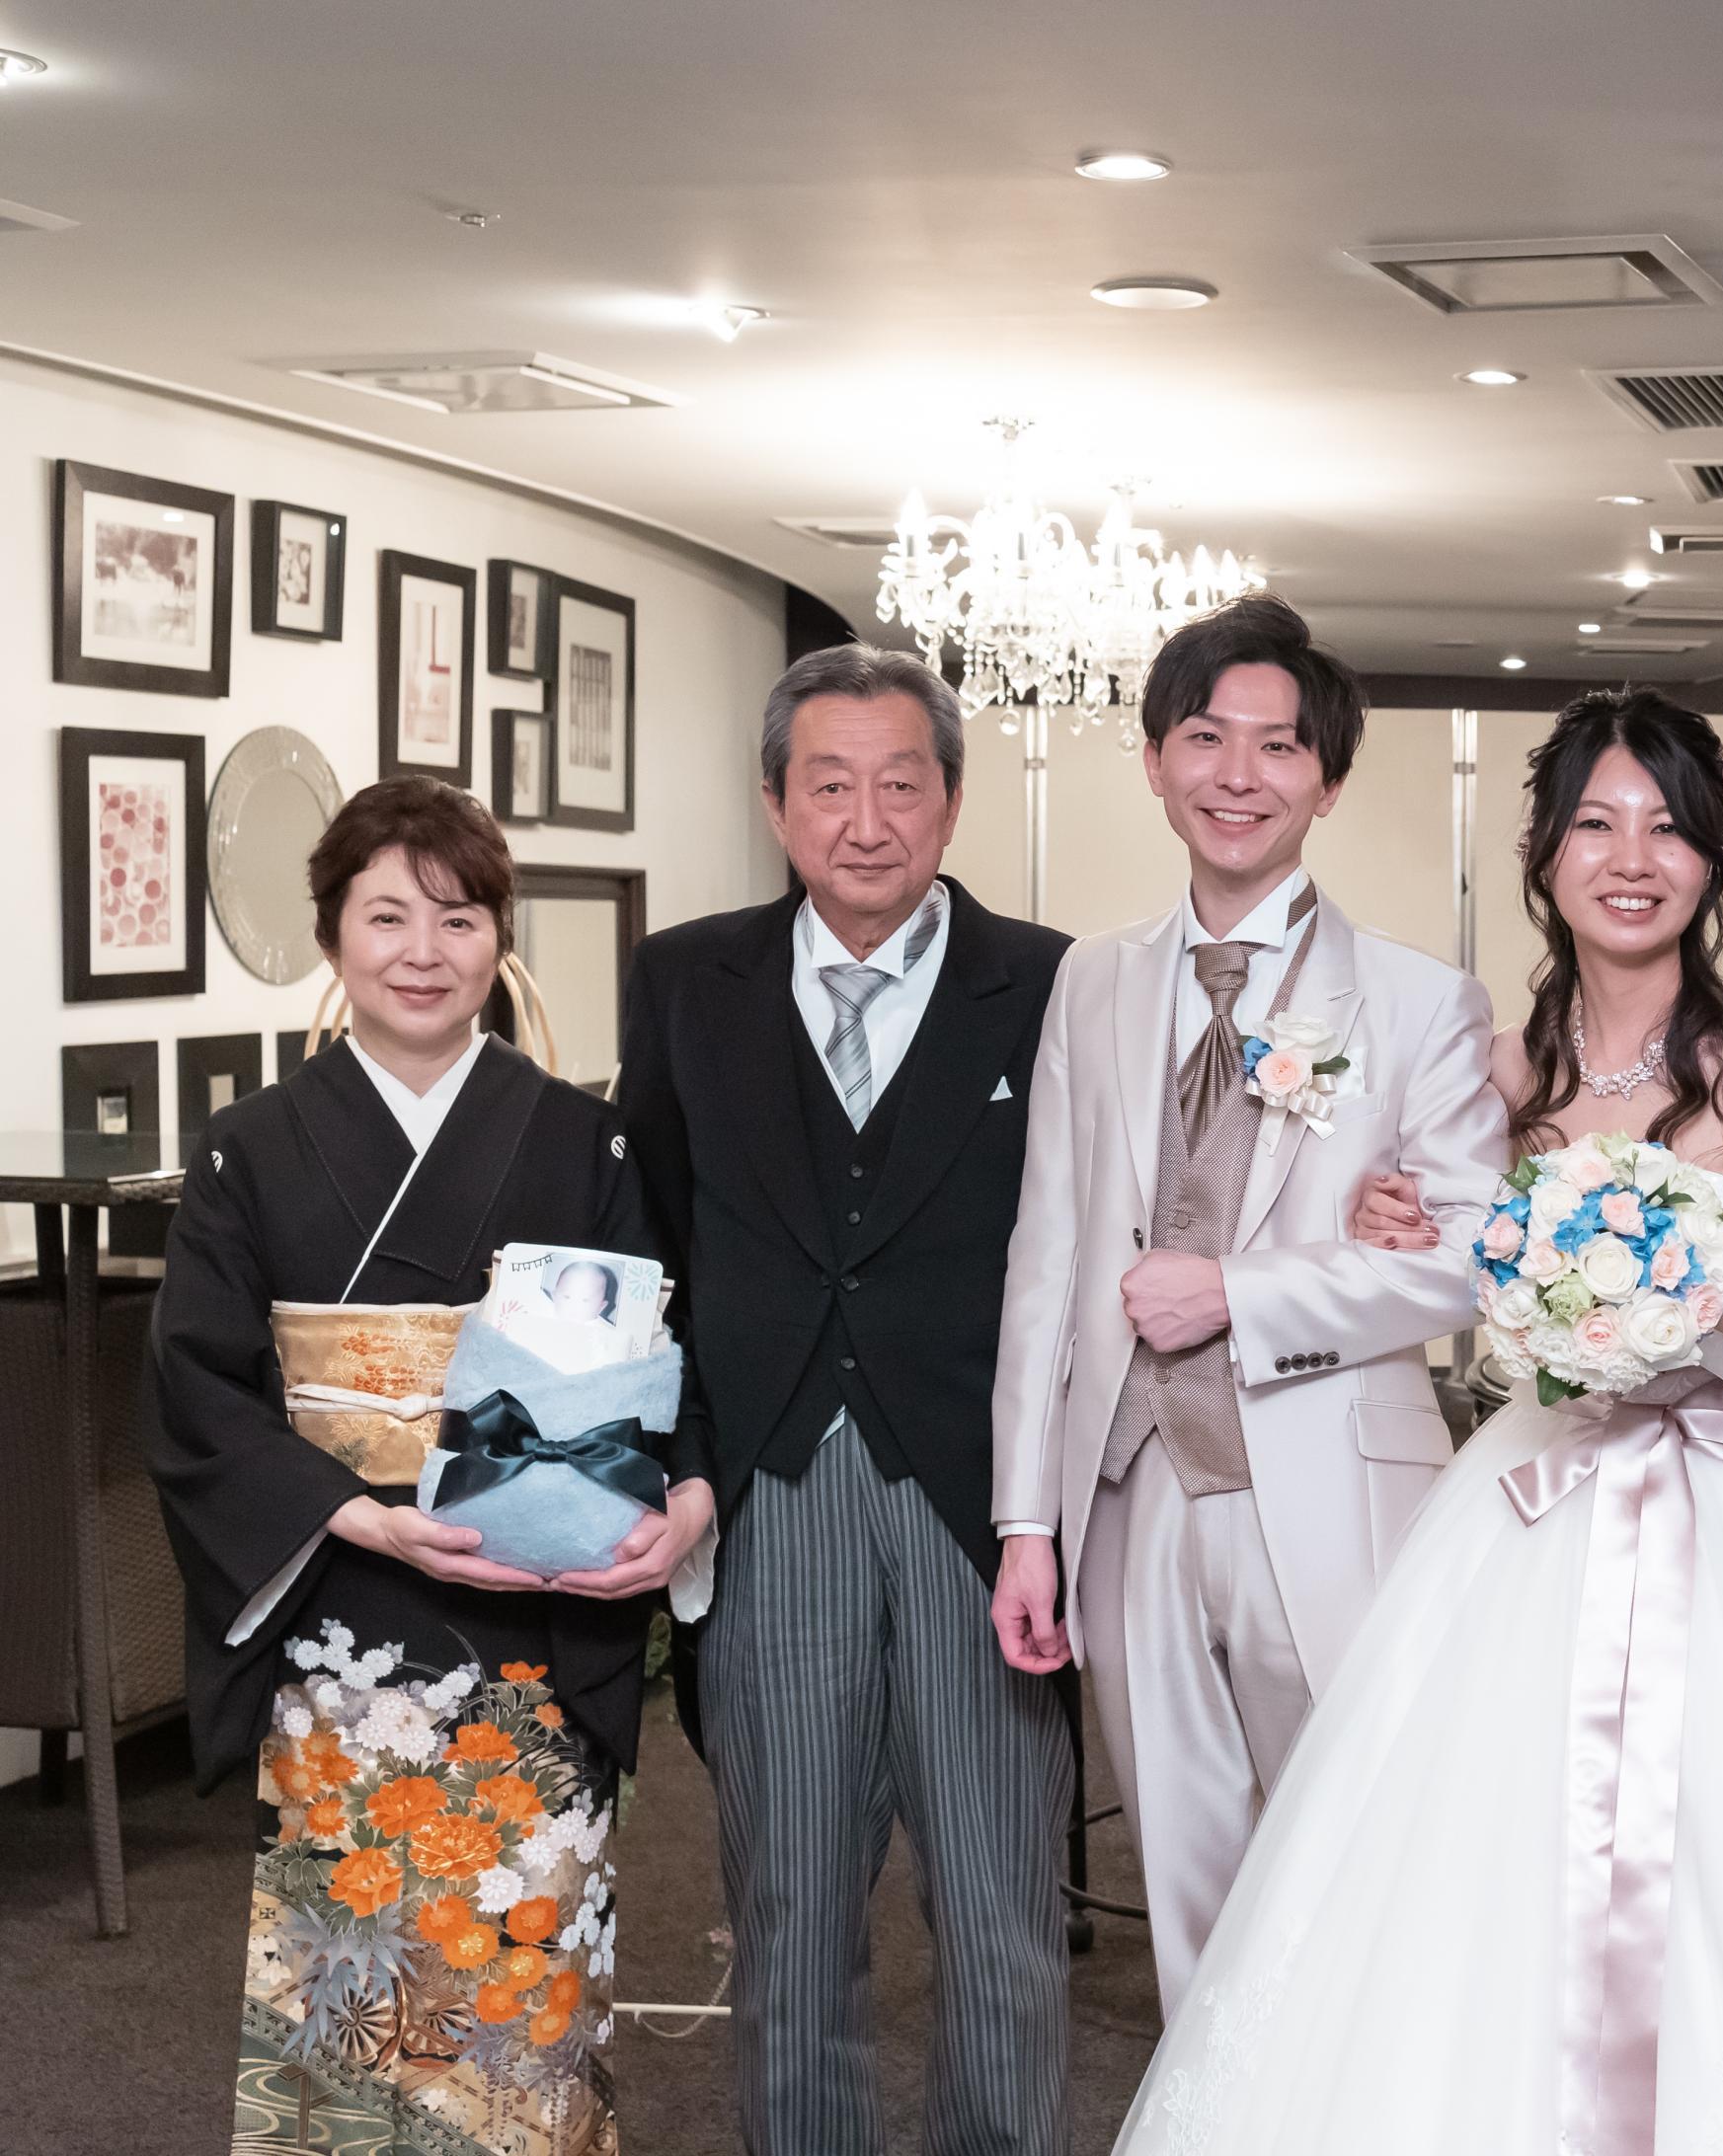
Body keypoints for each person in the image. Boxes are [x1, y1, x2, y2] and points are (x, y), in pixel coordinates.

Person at [1091, 688, 1723, 2155]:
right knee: (1478, 1861)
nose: (1632, 859)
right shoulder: (1496, 1071)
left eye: (1668, 828)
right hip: (1528, 1502)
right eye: (1596, 824)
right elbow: (1434, 1263)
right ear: (1545, 855)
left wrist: (1706, 1336)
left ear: (1713, 860)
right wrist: (1392, 1218)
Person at [151, 777, 710, 2156]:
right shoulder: (246, 1148)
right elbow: (199, 1388)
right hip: (345, 1603)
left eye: (458, 919)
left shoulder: (583, 1135)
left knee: (521, 1972)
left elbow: (662, 1352)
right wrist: (361, 1516)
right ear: (332, 934)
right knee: (352, 1980)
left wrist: (677, 1499)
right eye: (386, 916)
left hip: (532, 1598)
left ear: (500, 940)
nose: (423, 950)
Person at [984, 592, 1512, 2011]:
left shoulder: (1417, 1000)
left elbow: (1475, 1256)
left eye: (1279, 747)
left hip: (1330, 1479)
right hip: (1128, 1492)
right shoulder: (1092, 980)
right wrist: (1027, 1522)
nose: (1239, 775)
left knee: (1364, 1856)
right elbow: (1048, 1256)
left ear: (1326, 783)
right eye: (1206, 738)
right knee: (1187, 1875)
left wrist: (1241, 1289)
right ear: (1157, 762)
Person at [612, 645, 1075, 2156]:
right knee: (791, 1909)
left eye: (900, 785)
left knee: (1001, 1914)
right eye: (828, 786)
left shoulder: (1053, 985)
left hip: (983, 1504)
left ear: (952, 800)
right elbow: (651, 1246)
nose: (865, 822)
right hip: (774, 1487)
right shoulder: (685, 983)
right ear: (775, 804)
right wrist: (685, 1465)